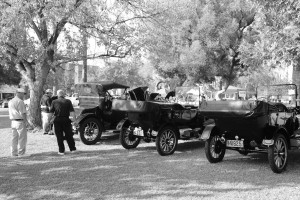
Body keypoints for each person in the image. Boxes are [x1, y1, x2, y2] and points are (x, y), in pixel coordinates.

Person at [49, 90, 77, 155]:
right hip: (66, 119)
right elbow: (72, 112)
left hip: (57, 120)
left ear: (57, 95)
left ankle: (61, 150)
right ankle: (72, 149)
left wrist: (49, 120)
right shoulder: (68, 101)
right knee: (69, 135)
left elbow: (51, 113)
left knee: (59, 136)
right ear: (64, 94)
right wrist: (74, 121)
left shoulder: (54, 102)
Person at [8, 88, 29, 157]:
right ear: (19, 93)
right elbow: (23, 113)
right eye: (23, 94)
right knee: (22, 138)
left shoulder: (11, 101)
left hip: (13, 121)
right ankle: (21, 153)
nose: (23, 95)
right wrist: (26, 122)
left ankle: (13, 153)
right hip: (20, 121)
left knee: (14, 138)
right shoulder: (20, 101)